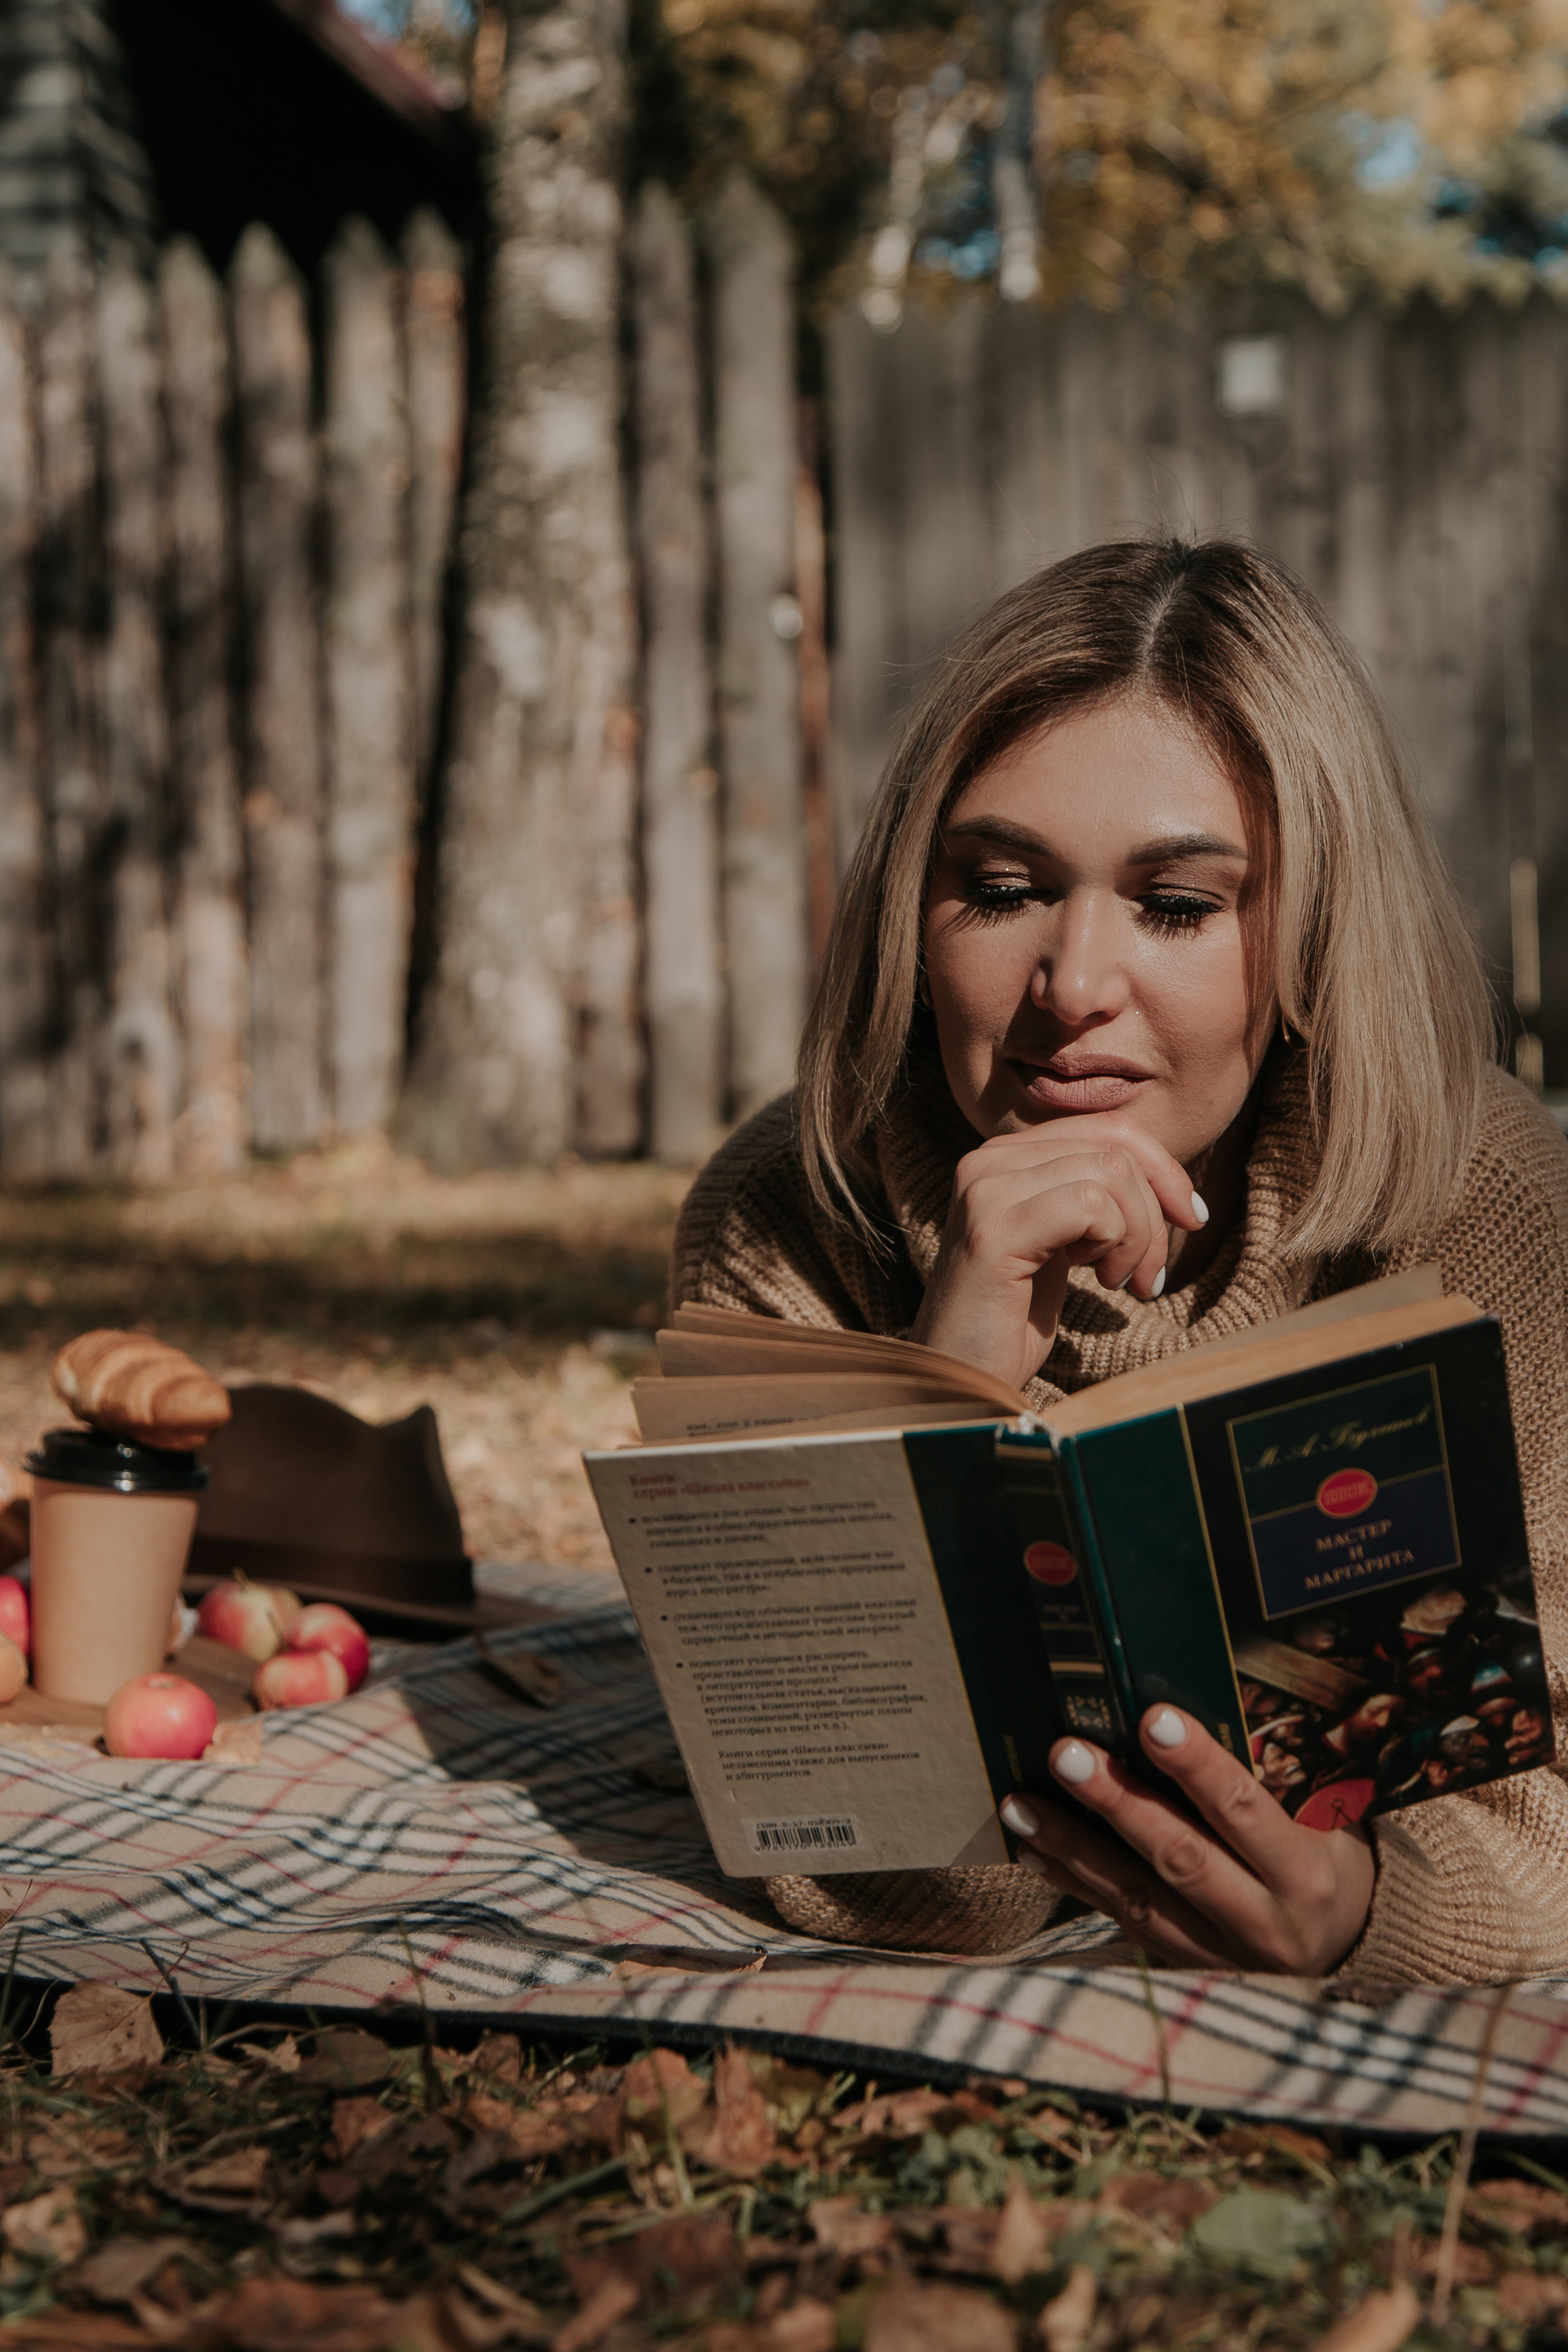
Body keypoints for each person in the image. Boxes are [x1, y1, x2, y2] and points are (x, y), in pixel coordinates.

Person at [673, 537, 1568, 1985]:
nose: (1074, 987)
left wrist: (1361, 1909)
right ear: (917, 904)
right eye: (1004, 886)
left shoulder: (1478, 1202)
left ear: (1307, 932)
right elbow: (890, 1894)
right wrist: (948, 1367)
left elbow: (1550, 1803)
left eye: (1175, 906)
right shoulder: (787, 1211)